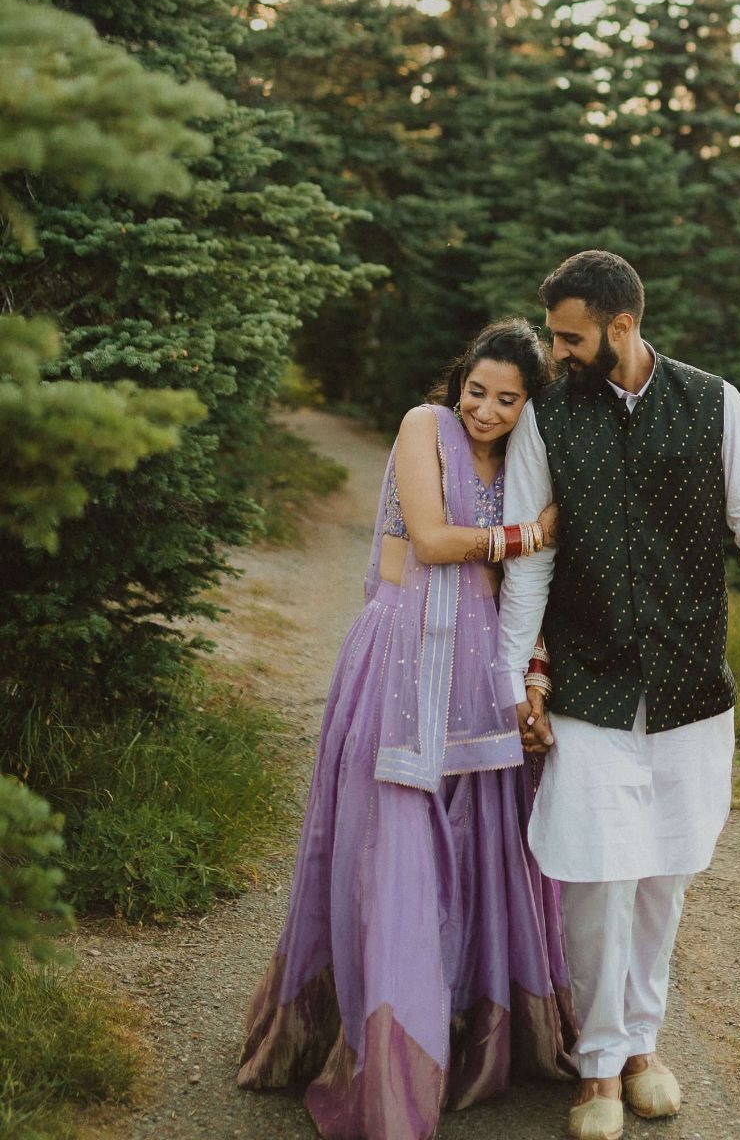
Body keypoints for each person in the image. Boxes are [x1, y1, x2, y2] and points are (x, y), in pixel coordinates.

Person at [238, 318, 577, 1140]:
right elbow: (428, 541)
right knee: (394, 850)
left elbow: (525, 591)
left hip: (481, 675)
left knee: (481, 848)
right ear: (455, 381)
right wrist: (529, 532)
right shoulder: (423, 428)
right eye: (475, 390)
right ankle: (387, 1058)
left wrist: (534, 677)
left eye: (506, 399)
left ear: (529, 406)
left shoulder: (527, 463)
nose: (484, 411)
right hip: (401, 662)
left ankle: (470, 1032)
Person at [495, 250, 740, 1140]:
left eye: (569, 336)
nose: (553, 353)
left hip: (687, 683)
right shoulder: (548, 414)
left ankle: (642, 1046)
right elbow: (530, 565)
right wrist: (514, 674)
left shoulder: (712, 402)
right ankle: (594, 1067)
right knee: (596, 873)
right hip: (589, 681)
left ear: (621, 328)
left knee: (665, 869)